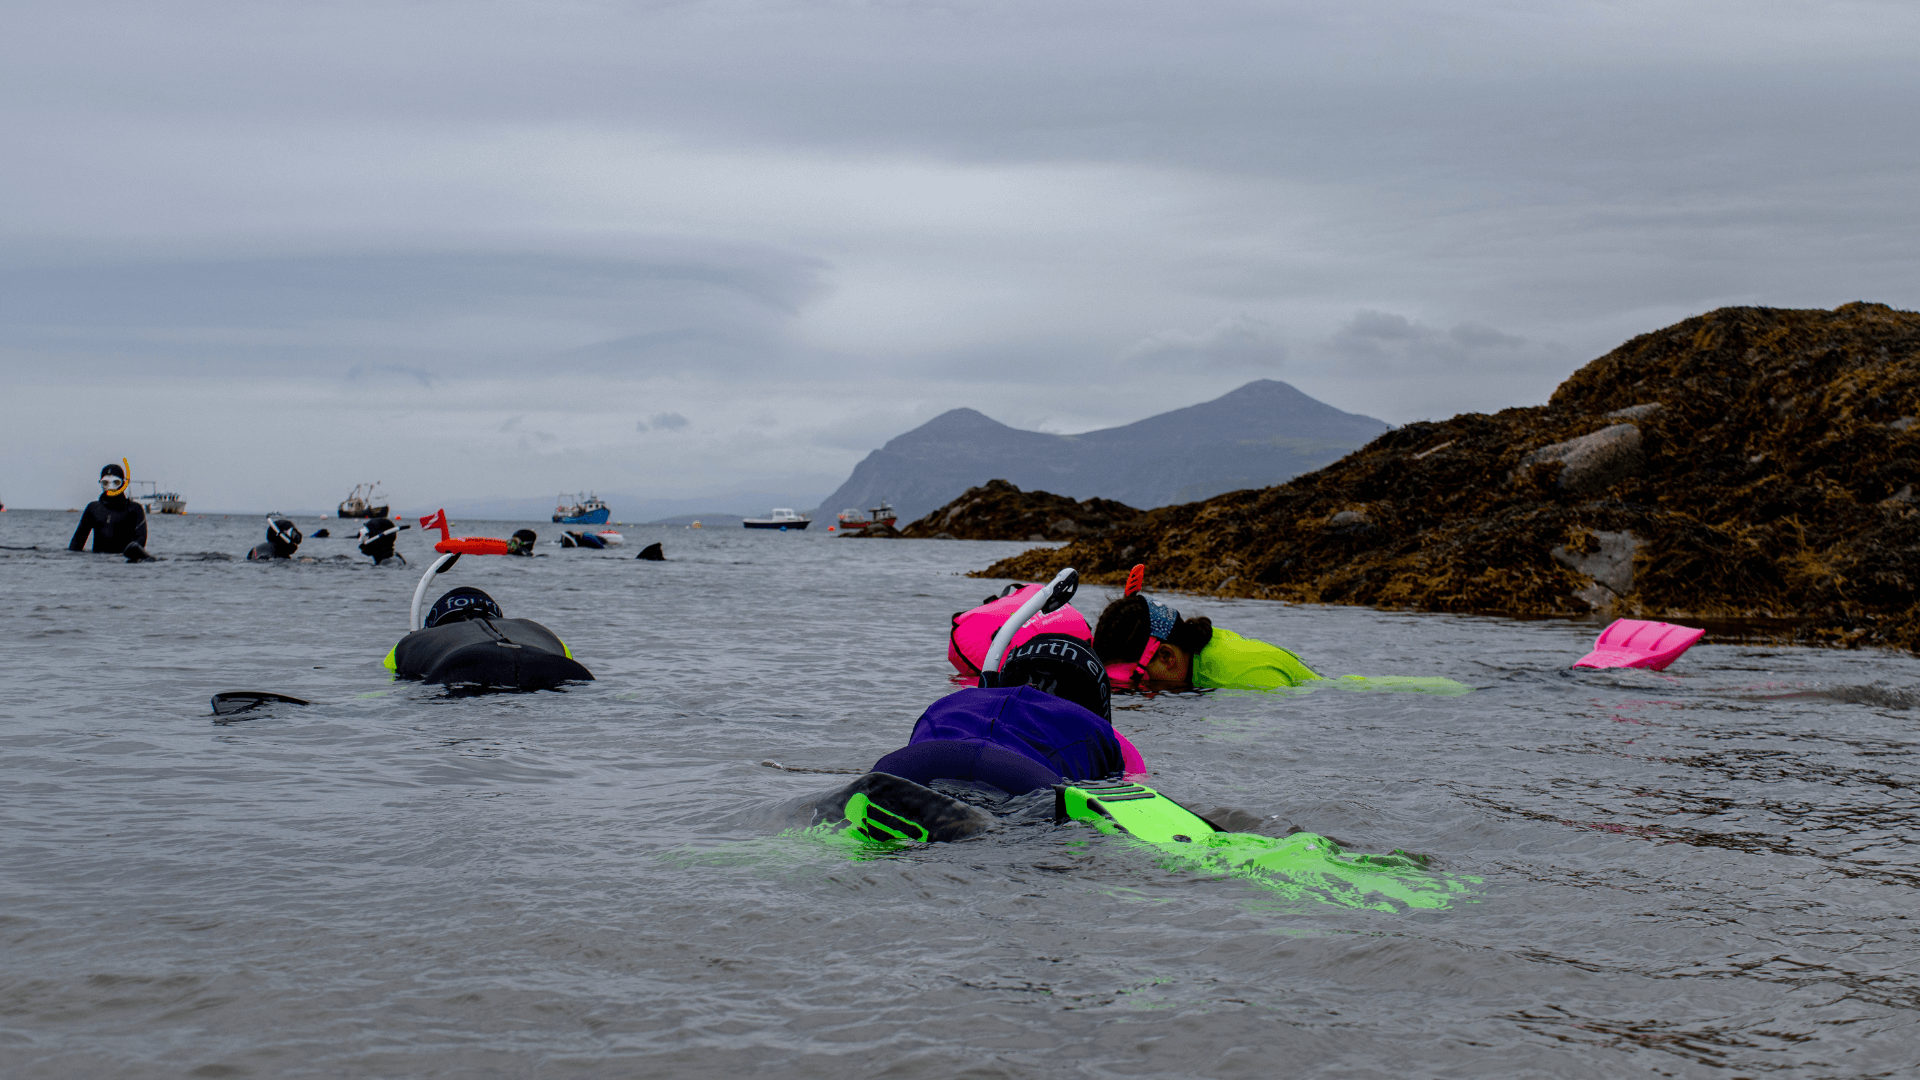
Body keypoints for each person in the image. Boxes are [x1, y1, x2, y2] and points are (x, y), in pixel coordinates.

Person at [1094, 588, 1318, 691]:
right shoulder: (1201, 648)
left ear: (1166, 656)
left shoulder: (1241, 682)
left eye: (1134, 683)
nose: (1137, 693)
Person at [384, 586, 593, 689]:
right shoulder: (538, 630)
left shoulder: (411, 642)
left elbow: (391, 682)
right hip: (551, 663)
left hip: (461, 664)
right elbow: (568, 656)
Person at [68, 462, 151, 560]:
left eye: (115, 482)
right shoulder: (92, 508)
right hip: (97, 563)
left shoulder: (135, 509)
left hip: (124, 563)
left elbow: (140, 542)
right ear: (101, 483)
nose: (110, 486)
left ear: (123, 484)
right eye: (105, 483)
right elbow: (76, 543)